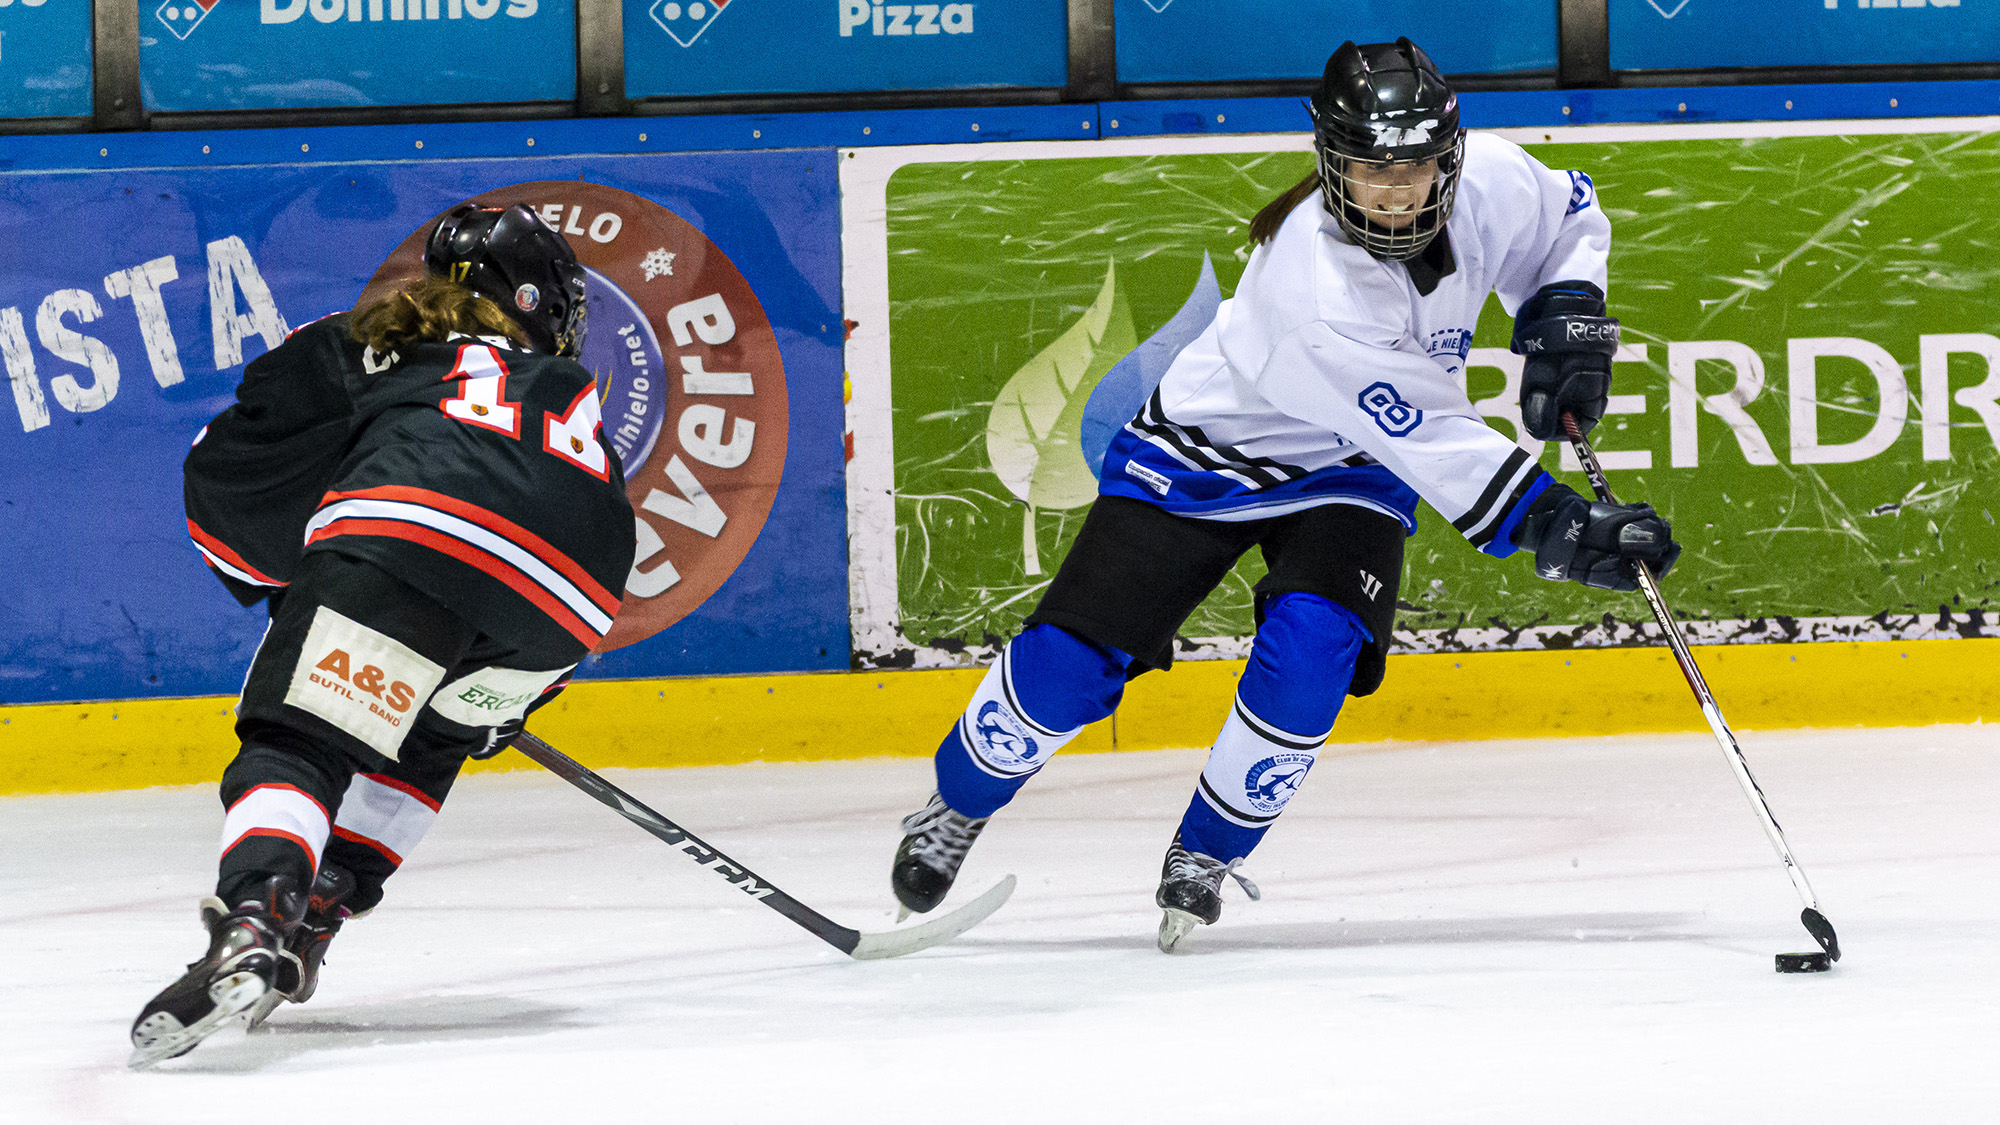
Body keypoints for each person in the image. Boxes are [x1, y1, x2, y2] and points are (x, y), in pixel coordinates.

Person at [888, 39, 1681, 953]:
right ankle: (956, 801)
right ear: (1331, 162)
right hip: (1201, 458)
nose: (1395, 190)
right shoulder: (1312, 288)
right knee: (1067, 668)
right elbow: (1428, 437)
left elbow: (1569, 215)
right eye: (1369, 170)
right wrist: (1558, 527)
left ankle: (1206, 849)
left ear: (1449, 156)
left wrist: (1568, 313)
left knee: (1314, 656)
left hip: (1350, 475)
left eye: (1416, 166)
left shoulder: (1493, 180)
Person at [131, 205, 635, 1066]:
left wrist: (291, 578)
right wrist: (514, 692)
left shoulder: (370, 342)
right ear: (539, 301)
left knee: (302, 739)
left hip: (418, 529)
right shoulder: (561, 391)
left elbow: (232, 457)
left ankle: (259, 913)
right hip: (570, 604)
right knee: (430, 737)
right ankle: (324, 901)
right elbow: (578, 522)